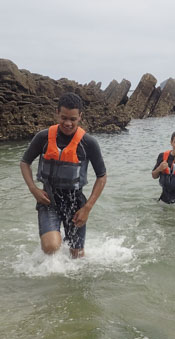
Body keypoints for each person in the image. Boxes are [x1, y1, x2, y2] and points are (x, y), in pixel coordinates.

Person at [19, 92, 107, 258]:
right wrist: (33, 189)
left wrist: (87, 208)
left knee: (77, 256)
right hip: (48, 201)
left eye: (73, 119)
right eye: (64, 117)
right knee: (51, 247)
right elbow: (25, 163)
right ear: (57, 113)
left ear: (80, 116)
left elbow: (102, 176)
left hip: (76, 205)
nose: (67, 123)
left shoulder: (88, 143)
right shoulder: (43, 137)